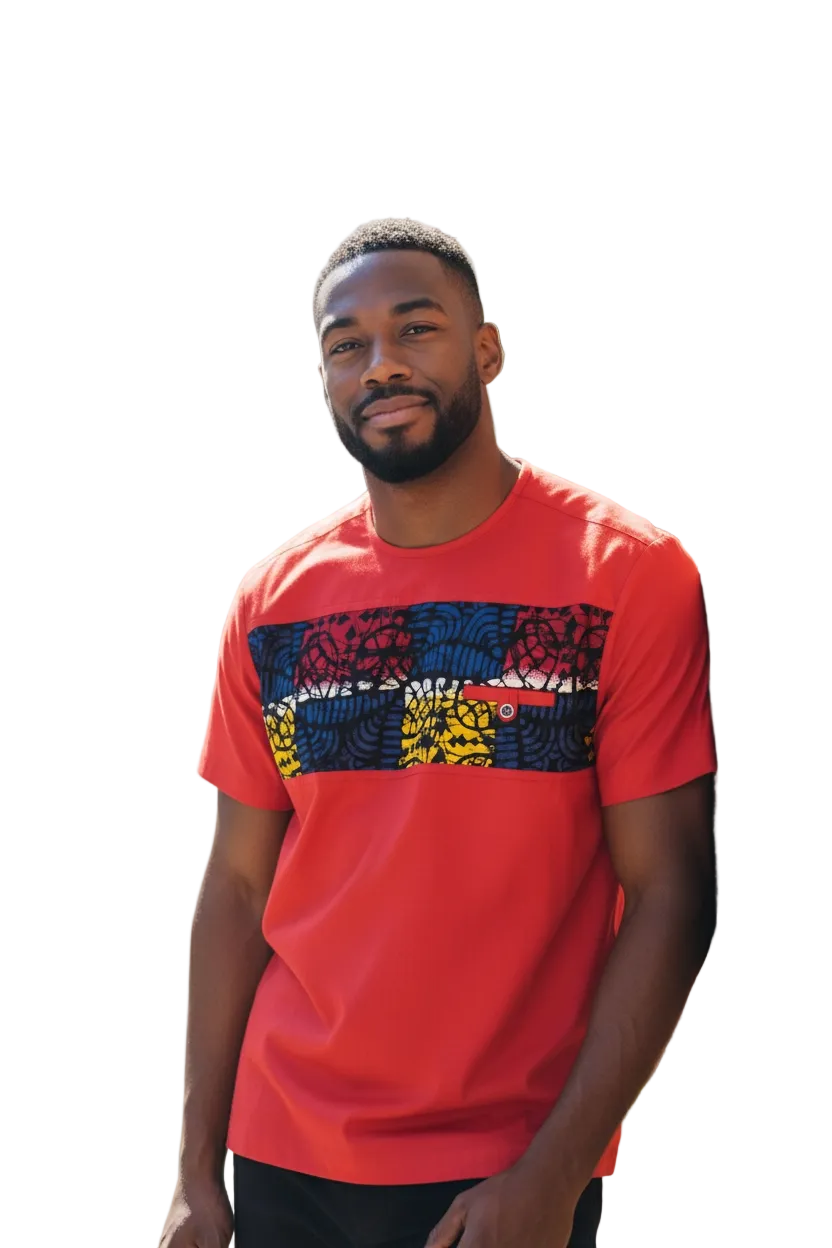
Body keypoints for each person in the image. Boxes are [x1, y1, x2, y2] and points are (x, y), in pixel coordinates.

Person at [158, 218, 718, 1248]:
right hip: (282, 1158)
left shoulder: (628, 578)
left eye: (416, 329)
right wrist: (196, 1170)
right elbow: (236, 888)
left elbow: (672, 892)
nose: (380, 365)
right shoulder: (272, 604)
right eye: (347, 345)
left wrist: (554, 1174)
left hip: (502, 1171)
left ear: (487, 351)